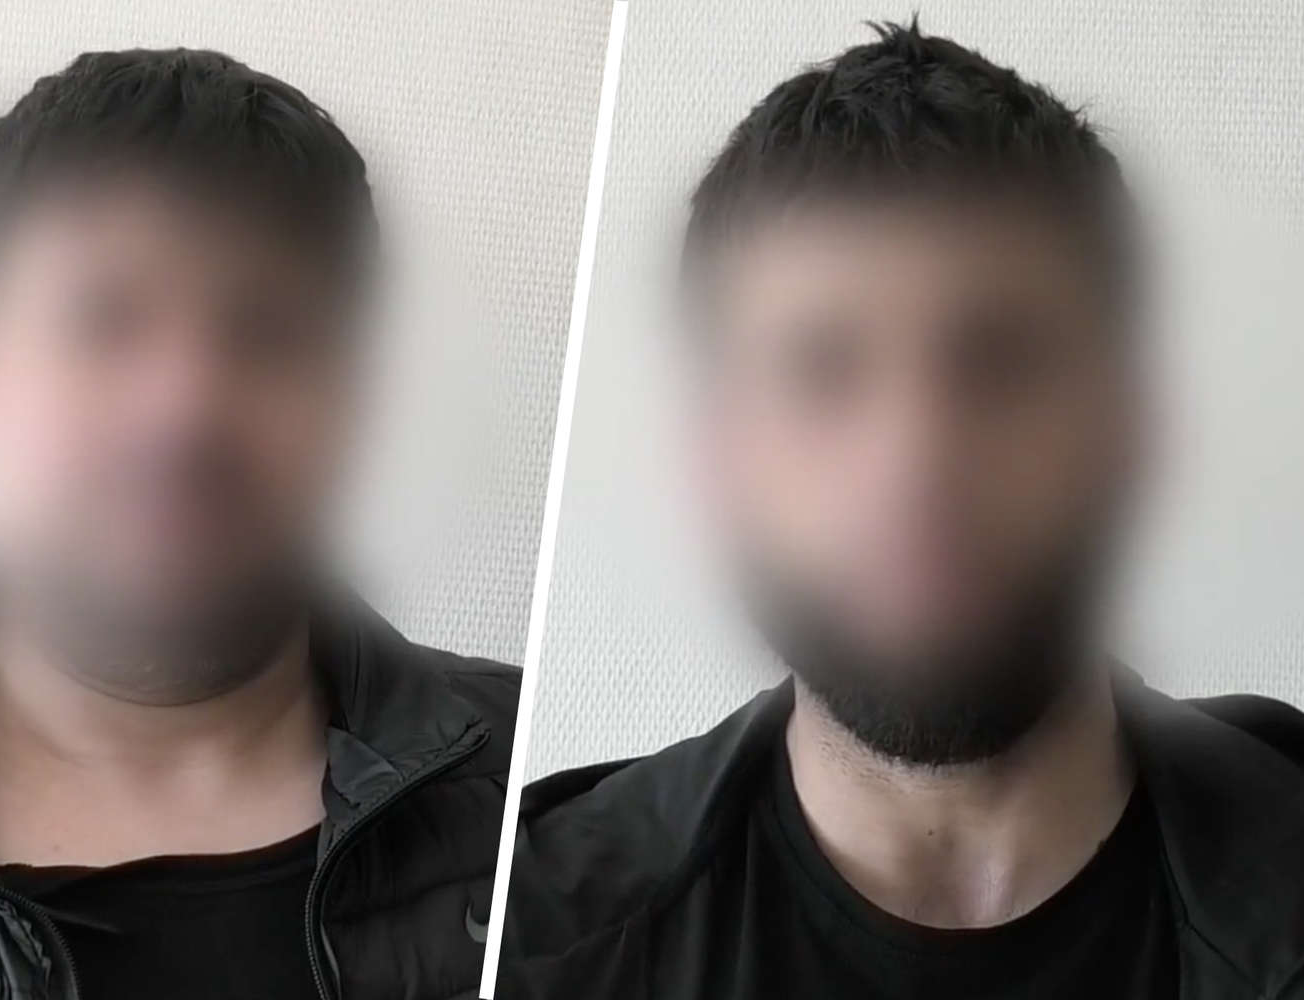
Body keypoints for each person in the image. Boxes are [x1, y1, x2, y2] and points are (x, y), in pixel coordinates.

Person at [499, 21, 1304, 999]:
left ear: (1128, 430)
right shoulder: (530, 939)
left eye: (1000, 358)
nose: (917, 458)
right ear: (719, 458)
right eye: (822, 369)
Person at [0, 49, 516, 1000]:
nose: (184, 406)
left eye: (264, 330)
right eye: (105, 320)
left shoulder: (544, 797)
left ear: (351, 398)